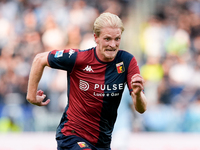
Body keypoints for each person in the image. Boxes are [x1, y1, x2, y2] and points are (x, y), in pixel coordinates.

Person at [26, 12, 147, 150]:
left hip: (102, 142)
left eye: (117, 39)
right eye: (107, 39)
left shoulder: (127, 61)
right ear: (96, 37)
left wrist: (137, 94)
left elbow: (141, 109)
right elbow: (39, 59)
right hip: (72, 136)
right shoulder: (79, 58)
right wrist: (31, 96)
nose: (113, 45)